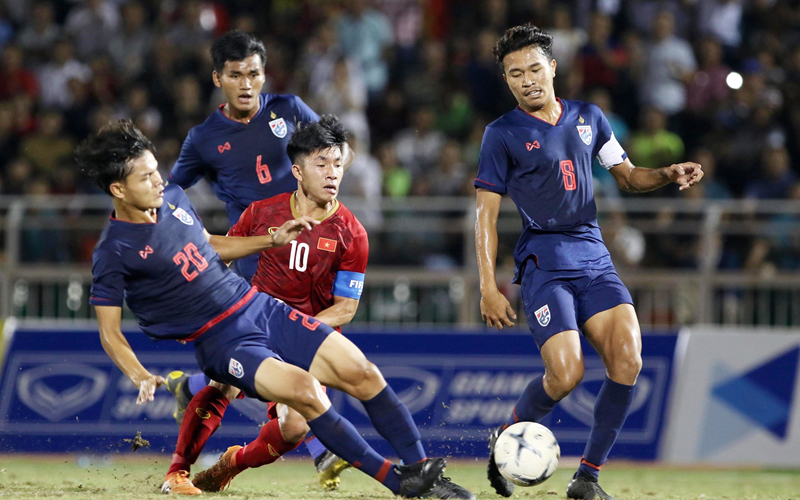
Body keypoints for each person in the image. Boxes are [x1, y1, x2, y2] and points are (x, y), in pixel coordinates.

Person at [79, 119, 445, 497]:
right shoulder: (113, 251)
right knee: (305, 393)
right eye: (146, 177)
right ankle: (401, 483)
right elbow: (109, 331)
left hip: (258, 306)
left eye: (157, 171)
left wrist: (272, 239)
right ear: (118, 189)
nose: (159, 181)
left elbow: (209, 246)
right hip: (220, 337)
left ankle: (424, 474)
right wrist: (138, 374)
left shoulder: (173, 197)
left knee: (364, 373)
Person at [173, 116, 472, 500]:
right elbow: (223, 259)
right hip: (253, 324)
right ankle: (176, 471)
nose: (332, 173)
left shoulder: (352, 233)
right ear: (297, 171)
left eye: (337, 163)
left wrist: (295, 330)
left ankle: (232, 463)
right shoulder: (261, 213)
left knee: (300, 424)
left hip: (311, 333)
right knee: (222, 384)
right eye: (321, 164)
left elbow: (345, 308)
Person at [474, 25, 703, 500]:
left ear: (553, 68)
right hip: (545, 263)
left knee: (628, 359)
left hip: (595, 259)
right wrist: (487, 285)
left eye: (534, 68)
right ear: (507, 80)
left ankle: (588, 478)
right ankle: (507, 434)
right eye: (515, 74)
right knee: (566, 375)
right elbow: (485, 217)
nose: (527, 80)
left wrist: (666, 172)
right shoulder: (501, 135)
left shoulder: (589, 117)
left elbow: (629, 176)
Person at [167, 29, 353, 483]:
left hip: (308, 251)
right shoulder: (204, 137)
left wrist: (330, 179)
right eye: (235, 75)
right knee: (262, 359)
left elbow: (334, 144)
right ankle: (317, 447)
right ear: (218, 79)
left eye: (254, 73)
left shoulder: (288, 109)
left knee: (253, 366)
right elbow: (170, 191)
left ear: (263, 73)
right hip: (254, 256)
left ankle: (187, 388)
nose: (246, 84)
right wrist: (196, 233)